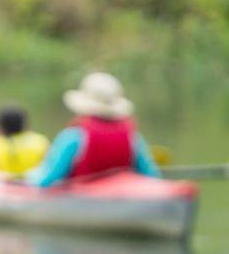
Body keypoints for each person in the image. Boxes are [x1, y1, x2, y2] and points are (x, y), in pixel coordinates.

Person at [24, 72, 162, 189]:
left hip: (79, 200)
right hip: (120, 200)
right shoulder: (133, 138)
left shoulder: (73, 137)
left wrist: (29, 176)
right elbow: (152, 177)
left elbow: (47, 181)